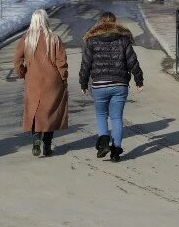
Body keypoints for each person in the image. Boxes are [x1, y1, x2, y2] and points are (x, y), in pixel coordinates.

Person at [79, 12, 143, 162]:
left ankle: (103, 142)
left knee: (101, 115)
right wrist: (139, 80)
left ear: (99, 23)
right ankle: (116, 151)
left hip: (99, 85)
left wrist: (83, 83)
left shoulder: (92, 41)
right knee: (116, 117)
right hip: (120, 84)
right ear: (116, 23)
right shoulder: (123, 40)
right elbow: (133, 62)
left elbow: (86, 65)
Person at [14, 9, 68, 157]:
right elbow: (61, 62)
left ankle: (36, 139)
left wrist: (23, 73)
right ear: (46, 21)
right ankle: (48, 145)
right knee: (50, 113)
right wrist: (64, 77)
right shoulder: (54, 38)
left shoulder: (27, 39)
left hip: (33, 80)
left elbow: (17, 60)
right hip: (53, 80)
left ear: (33, 21)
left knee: (35, 112)